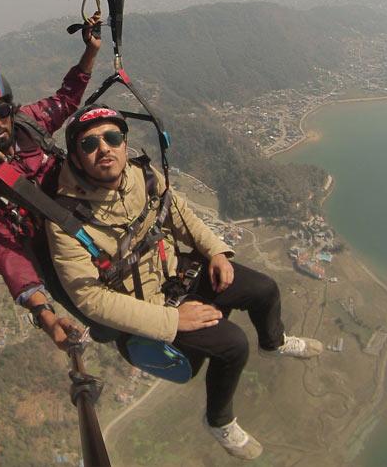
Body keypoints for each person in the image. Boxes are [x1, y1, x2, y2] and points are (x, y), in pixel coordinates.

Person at [46, 104, 323, 460]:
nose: (104, 149)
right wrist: (173, 321)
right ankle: (219, 420)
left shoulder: (142, 177)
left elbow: (180, 216)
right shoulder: (65, 220)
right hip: (144, 312)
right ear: (76, 156)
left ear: (125, 143)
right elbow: (90, 300)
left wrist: (217, 252)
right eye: (90, 144)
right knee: (233, 345)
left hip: (176, 276)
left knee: (264, 289)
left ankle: (274, 342)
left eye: (112, 137)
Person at [0, 12, 104, 349]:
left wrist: (90, 52)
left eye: (1, 111)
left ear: (12, 108)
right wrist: (44, 313)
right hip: (50, 251)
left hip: (84, 219)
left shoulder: (31, 123)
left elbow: (65, 99)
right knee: (105, 322)